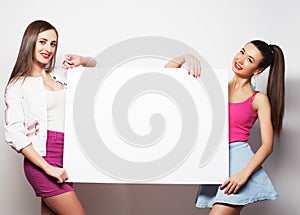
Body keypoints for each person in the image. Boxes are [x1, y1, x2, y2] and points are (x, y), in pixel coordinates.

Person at [165, 40, 285, 215]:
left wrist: (243, 175)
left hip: (240, 166)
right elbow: (167, 75)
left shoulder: (258, 99)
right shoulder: (215, 86)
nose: (241, 59)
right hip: (217, 164)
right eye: (242, 52)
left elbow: (267, 145)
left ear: (258, 70)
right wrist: (185, 57)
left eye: (250, 59)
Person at [4, 20, 96, 215]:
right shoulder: (18, 85)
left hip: (67, 158)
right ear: (30, 43)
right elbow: (14, 134)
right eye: (43, 42)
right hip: (43, 160)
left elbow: (95, 67)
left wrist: (83, 60)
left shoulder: (60, 75)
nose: (48, 49)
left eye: (53, 44)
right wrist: (48, 168)